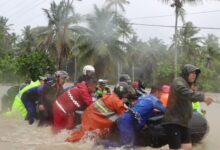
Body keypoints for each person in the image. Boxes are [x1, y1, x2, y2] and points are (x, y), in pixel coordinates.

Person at [162, 64, 213, 150]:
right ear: (185, 74)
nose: (194, 75)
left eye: (195, 73)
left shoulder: (187, 85)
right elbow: (185, 93)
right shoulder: (178, 82)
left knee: (187, 146)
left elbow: (191, 98)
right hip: (173, 122)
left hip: (183, 122)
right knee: (175, 148)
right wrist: (203, 97)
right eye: (191, 73)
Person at [65, 82, 133, 142]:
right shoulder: (117, 102)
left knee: (80, 134)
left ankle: (66, 140)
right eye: (126, 93)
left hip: (88, 116)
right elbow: (127, 116)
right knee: (83, 138)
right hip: (94, 121)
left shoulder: (108, 95)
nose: (127, 95)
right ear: (122, 92)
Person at [100, 85, 165, 148]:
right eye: (161, 94)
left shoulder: (142, 97)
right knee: (126, 146)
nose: (161, 96)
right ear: (157, 92)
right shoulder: (155, 100)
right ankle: (100, 143)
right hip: (129, 122)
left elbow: (138, 109)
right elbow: (166, 110)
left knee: (123, 143)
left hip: (123, 117)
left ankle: (101, 144)